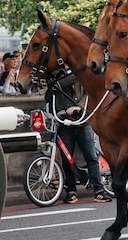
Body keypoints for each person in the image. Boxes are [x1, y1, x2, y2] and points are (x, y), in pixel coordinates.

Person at [45, 75, 111, 203]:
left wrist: (79, 107)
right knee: (66, 158)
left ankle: (99, 190)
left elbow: (88, 93)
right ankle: (71, 191)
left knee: (91, 157)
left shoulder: (79, 74)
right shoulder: (57, 77)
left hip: (82, 121)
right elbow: (52, 92)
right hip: (64, 122)